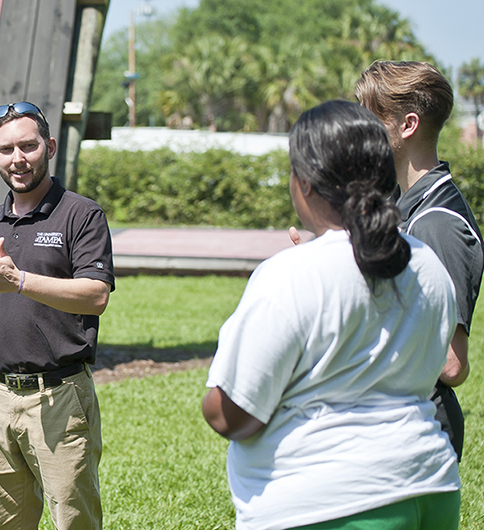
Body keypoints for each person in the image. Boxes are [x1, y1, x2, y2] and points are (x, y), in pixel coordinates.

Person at [203, 100, 461, 529]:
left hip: (332, 503)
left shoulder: (290, 274)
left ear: (303, 182)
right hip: (431, 485)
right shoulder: (427, 262)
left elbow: (231, 415)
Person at [0, 102, 114, 530]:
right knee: (1, 523)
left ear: (49, 146)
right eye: (7, 149)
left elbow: (95, 296)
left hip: (58, 397)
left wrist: (20, 280)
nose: (19, 159)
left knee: (75, 521)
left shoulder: (81, 215)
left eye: (29, 146)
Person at [356, 60, 483, 461]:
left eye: (369, 118)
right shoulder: (402, 206)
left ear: (407, 125)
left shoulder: (438, 223)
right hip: (395, 426)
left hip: (420, 437)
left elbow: (451, 364)